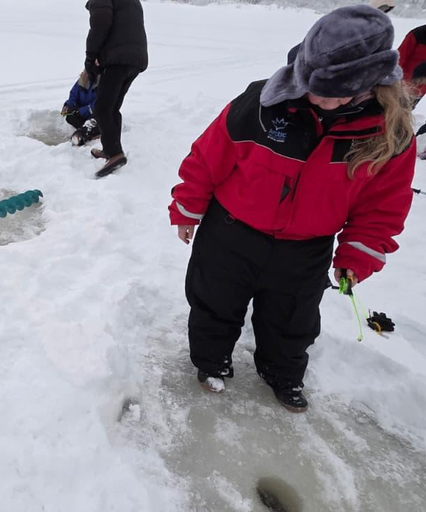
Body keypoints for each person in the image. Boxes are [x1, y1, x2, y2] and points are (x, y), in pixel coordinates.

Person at [168, 6, 416, 413]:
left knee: (291, 322)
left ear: (369, 83)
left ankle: (281, 374)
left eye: (334, 92)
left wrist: (358, 254)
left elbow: (382, 207)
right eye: (313, 85)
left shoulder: (389, 134)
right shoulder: (263, 103)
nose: (318, 98)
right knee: (214, 303)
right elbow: (208, 157)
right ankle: (211, 362)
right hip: (230, 233)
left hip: (305, 248)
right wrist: (187, 207)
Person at [84, 0, 148, 178]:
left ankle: (115, 154)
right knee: (111, 108)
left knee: (102, 108)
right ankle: (110, 149)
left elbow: (100, 22)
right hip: (136, 58)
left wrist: (91, 57)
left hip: (118, 58)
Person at [61, 70, 101, 147]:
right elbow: (73, 97)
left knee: (97, 119)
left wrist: (80, 111)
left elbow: (99, 104)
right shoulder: (82, 80)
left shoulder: (104, 82)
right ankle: (86, 130)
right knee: (70, 117)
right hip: (82, 115)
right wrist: (68, 106)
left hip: (96, 114)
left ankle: (83, 134)